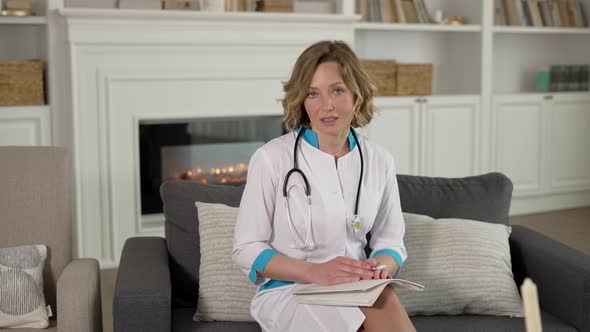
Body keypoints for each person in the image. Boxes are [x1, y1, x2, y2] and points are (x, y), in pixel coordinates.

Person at [232, 40, 415, 332]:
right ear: (302, 101)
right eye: (313, 94)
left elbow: (391, 243)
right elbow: (246, 248)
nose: (326, 105)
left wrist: (378, 269)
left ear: (357, 94)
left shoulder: (379, 160)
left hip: (356, 288)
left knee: (385, 297)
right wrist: (315, 272)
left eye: (337, 90)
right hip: (290, 291)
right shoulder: (272, 158)